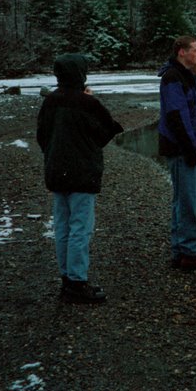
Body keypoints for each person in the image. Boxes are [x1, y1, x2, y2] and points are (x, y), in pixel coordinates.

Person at [37, 53, 123, 304]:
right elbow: (106, 131)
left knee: (63, 226)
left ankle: (68, 279)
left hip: (56, 171)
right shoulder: (87, 103)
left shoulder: (50, 101)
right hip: (82, 172)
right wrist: (90, 99)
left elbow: (42, 137)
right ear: (80, 73)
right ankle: (77, 282)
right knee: (80, 228)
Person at [158, 35, 196, 271]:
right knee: (189, 202)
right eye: (195, 50)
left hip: (188, 148)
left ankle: (180, 251)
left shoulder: (185, 76)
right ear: (181, 52)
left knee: (183, 200)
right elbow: (176, 115)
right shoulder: (173, 78)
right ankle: (190, 253)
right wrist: (190, 148)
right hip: (183, 149)